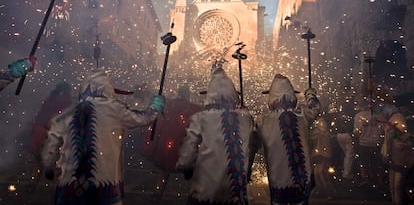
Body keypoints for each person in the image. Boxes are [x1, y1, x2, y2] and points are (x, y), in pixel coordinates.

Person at [41, 68, 165, 205]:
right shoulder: (114, 108)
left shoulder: (69, 112)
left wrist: (48, 167)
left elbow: (51, 142)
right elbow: (143, 118)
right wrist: (155, 106)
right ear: (107, 88)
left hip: (69, 186)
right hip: (104, 184)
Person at [175, 67, 255, 204]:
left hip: (205, 192)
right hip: (235, 194)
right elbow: (252, 146)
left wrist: (185, 167)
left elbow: (186, 156)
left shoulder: (200, 118)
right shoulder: (246, 118)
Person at [250, 74, 321, 205]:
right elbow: (315, 107)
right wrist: (310, 94)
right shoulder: (302, 115)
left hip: (279, 182)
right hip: (303, 180)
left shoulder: (262, 121)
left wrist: (248, 168)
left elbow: (253, 145)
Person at [379, 100, 414, 205]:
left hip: (400, 157)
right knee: (394, 185)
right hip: (393, 156)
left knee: (397, 186)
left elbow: (402, 138)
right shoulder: (393, 118)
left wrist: (394, 132)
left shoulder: (398, 118)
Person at [353, 99, 385, 186]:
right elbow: (384, 130)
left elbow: (356, 132)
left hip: (364, 144)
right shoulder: (380, 115)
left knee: (364, 163)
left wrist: (364, 127)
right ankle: (379, 181)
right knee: (377, 164)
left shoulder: (358, 116)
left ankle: (366, 180)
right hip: (377, 143)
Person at [310, 115, 335, 198]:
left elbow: (323, 135)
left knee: (322, 172)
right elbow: (312, 138)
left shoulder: (324, 132)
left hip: (324, 154)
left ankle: (327, 191)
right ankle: (321, 189)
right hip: (319, 153)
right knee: (318, 172)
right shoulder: (317, 131)